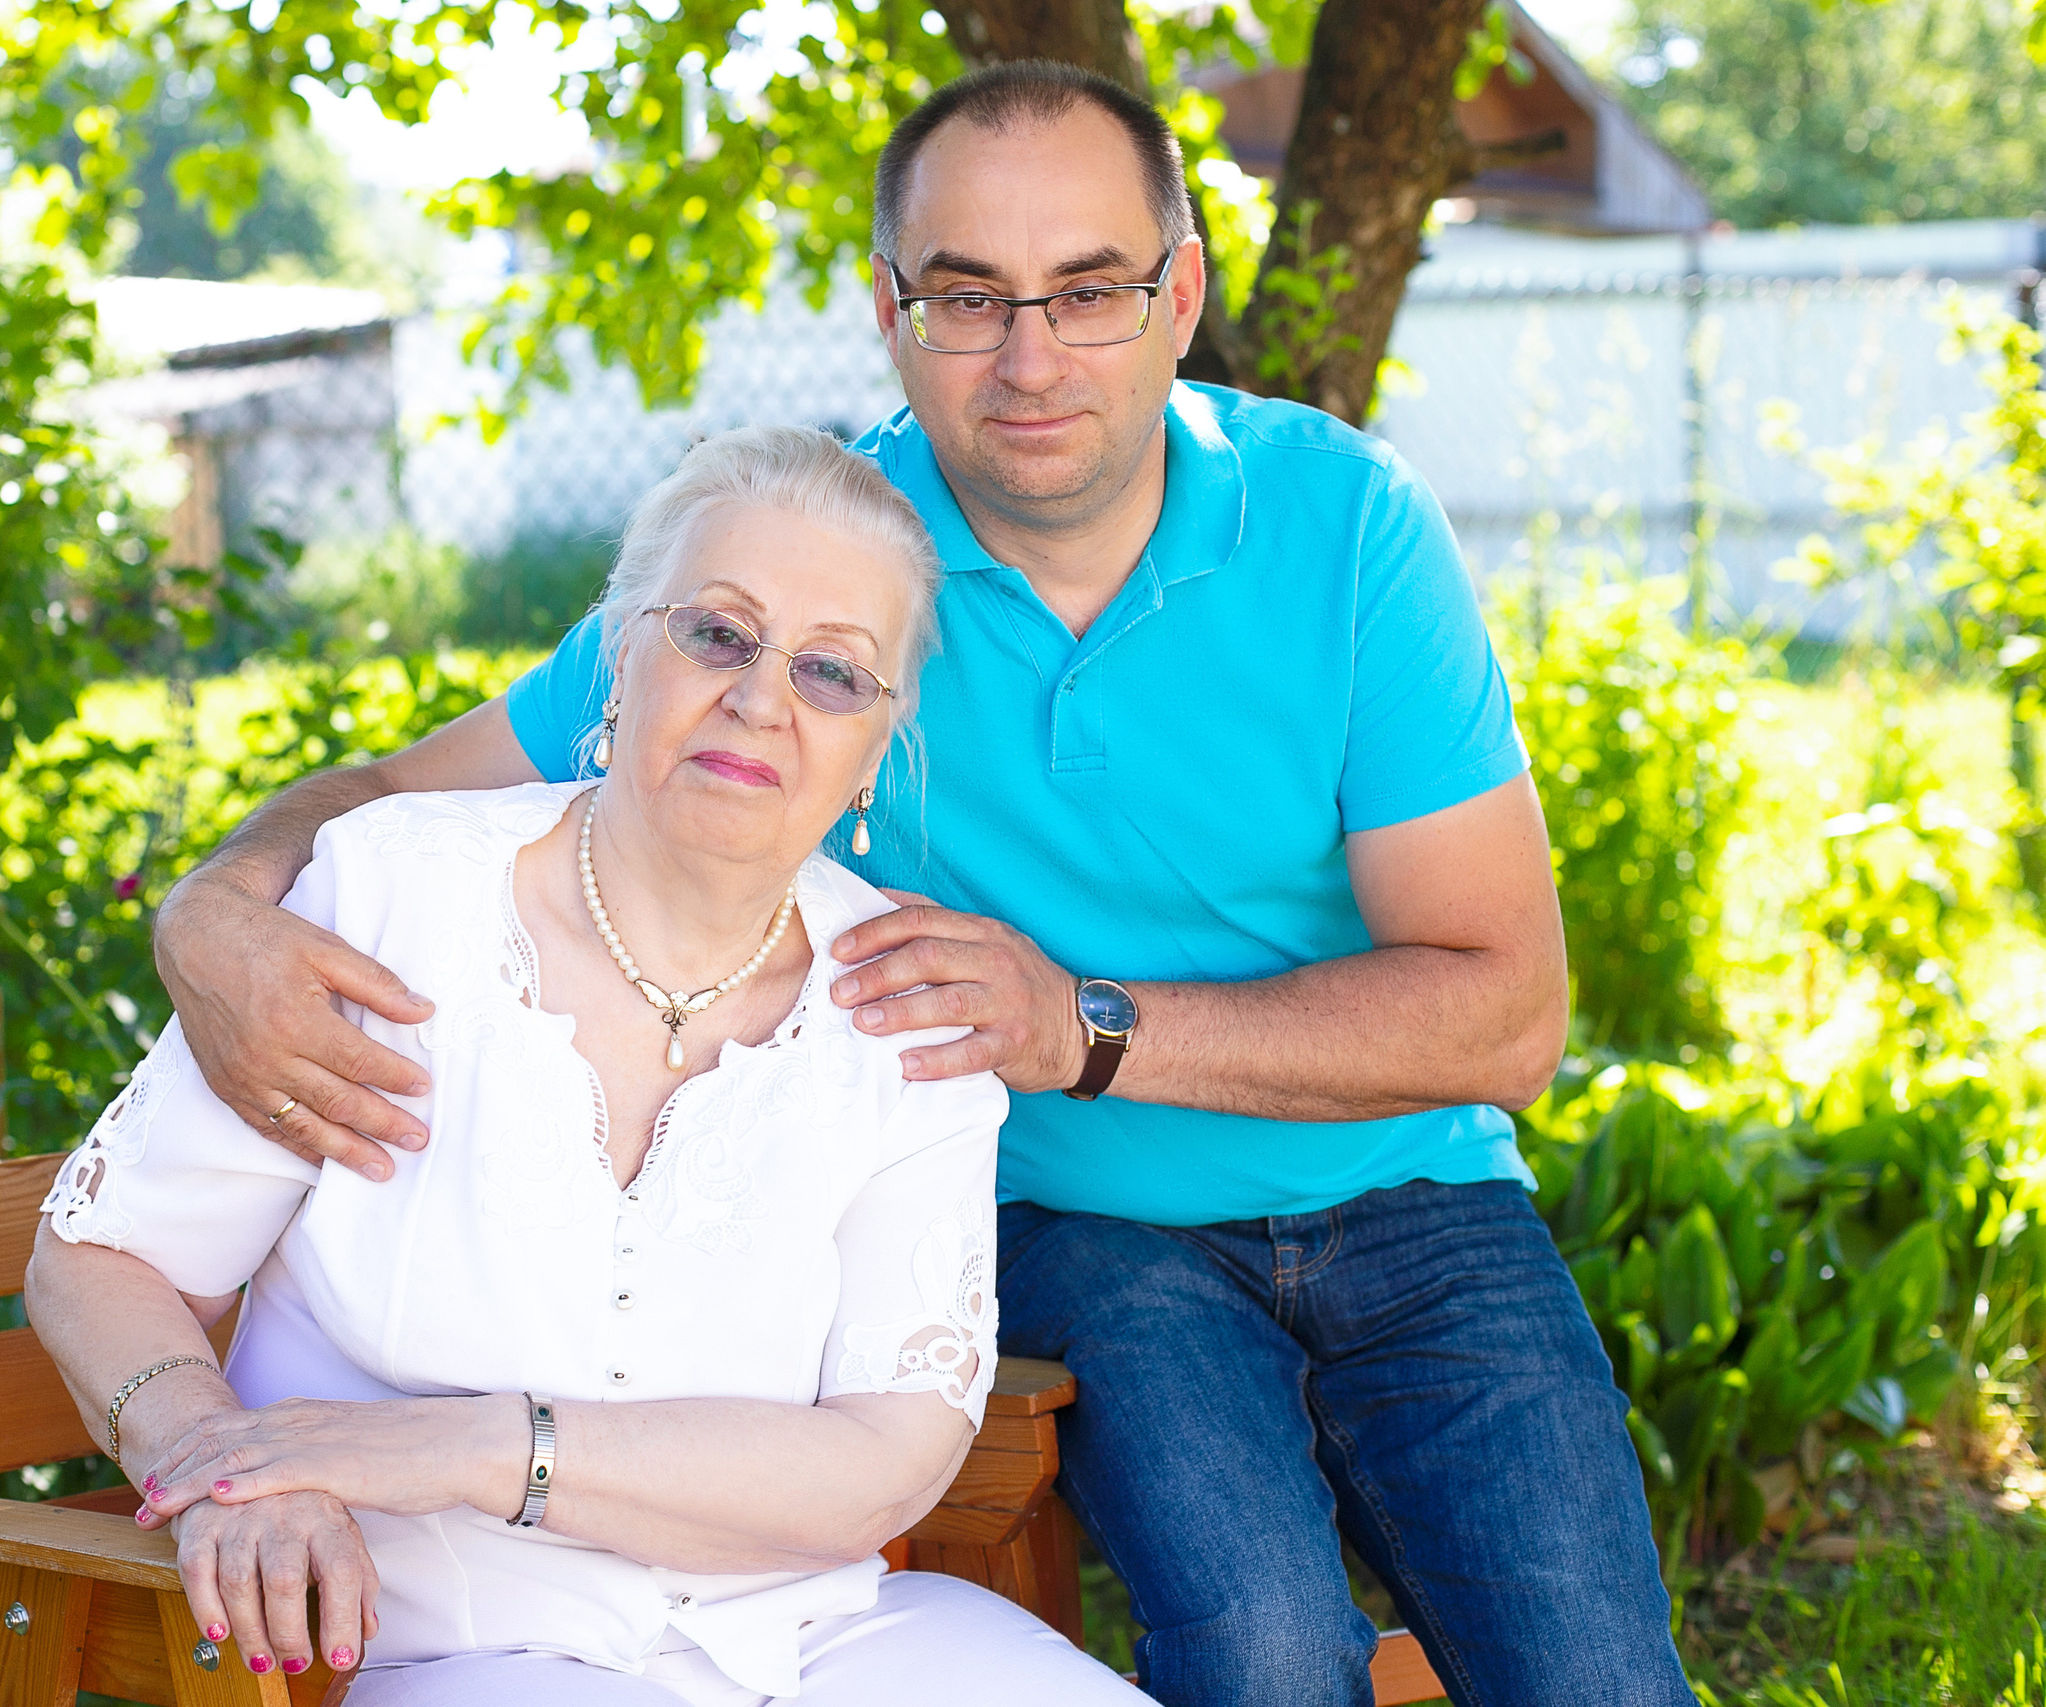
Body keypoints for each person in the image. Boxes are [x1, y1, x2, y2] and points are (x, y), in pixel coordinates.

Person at [145, 62, 1696, 1707]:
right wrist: (211, 910)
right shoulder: (820, 573)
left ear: (1180, 295)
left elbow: (1504, 1012)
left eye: (1087, 292)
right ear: (893, 314)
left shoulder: (1346, 524)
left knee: (1596, 1674)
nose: (1030, 359)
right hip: (1097, 1226)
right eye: (969, 299)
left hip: (1416, 1189)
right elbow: (399, 788)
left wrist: (1078, 1021)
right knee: (1263, 1652)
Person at [27, 425, 1147, 1707]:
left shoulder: (907, 1015)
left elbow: (888, 1456)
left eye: (834, 673)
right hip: (452, 1648)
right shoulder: (391, 900)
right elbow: (101, 1254)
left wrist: (480, 1447)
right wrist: (216, 1464)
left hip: (811, 1645)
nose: (762, 699)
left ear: (876, 753)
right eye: (718, 634)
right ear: (620, 652)